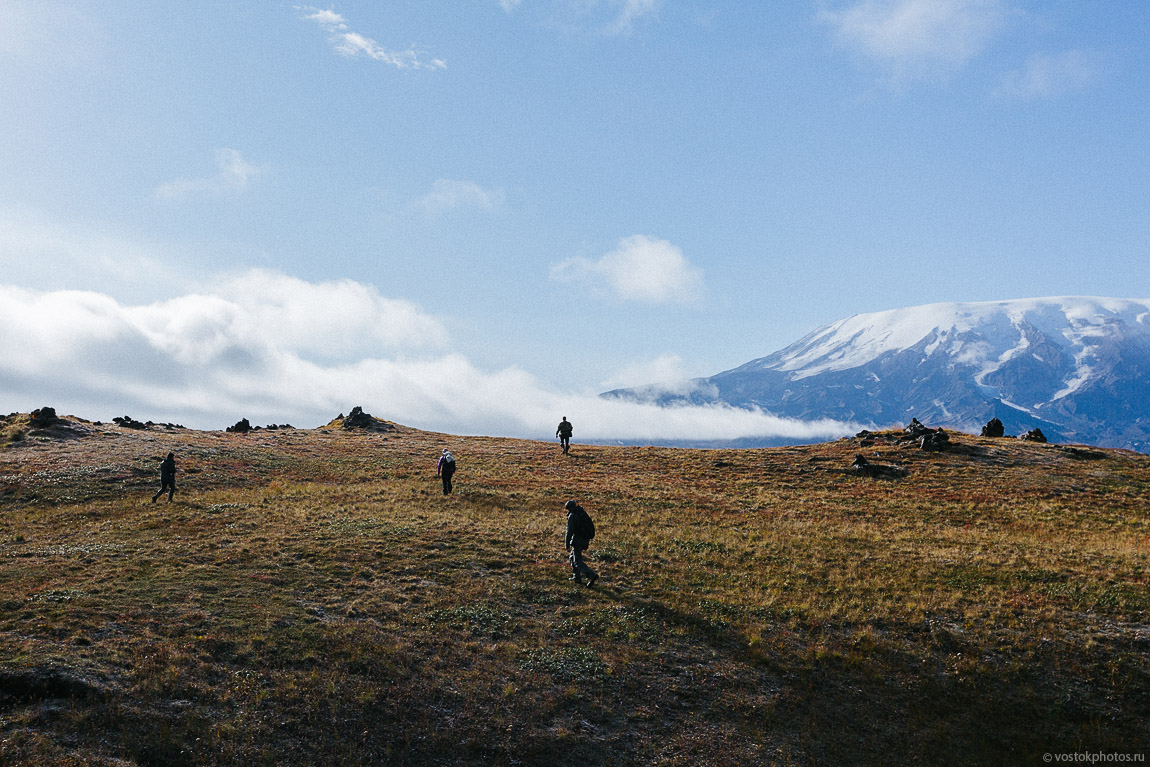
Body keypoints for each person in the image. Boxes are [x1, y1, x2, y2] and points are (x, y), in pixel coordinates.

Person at [564, 499, 598, 587]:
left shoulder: (573, 515)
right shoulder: (582, 513)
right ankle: (577, 577)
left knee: (577, 561)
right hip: (585, 540)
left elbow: (569, 531)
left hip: (577, 541)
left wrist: (567, 545)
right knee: (572, 557)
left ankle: (591, 575)